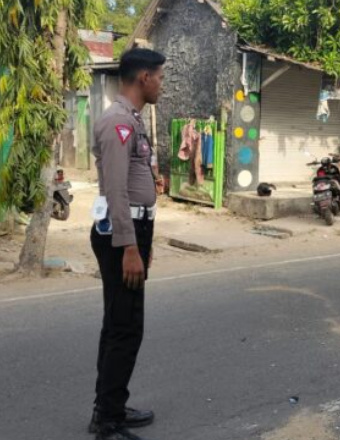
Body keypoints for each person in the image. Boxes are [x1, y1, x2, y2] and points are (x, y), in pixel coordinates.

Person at [89, 48, 165, 440]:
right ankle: (108, 421)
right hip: (121, 234)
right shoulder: (118, 121)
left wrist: (143, 241)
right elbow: (116, 191)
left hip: (130, 231)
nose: (161, 85)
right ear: (143, 78)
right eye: (160, 77)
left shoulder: (129, 119)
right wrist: (131, 247)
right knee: (124, 328)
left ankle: (109, 405)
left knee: (118, 324)